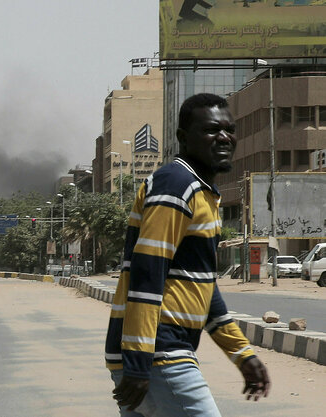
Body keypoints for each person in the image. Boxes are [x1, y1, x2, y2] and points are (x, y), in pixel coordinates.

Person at [106, 93, 270, 416]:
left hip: (154, 353)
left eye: (229, 129)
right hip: (159, 352)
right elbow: (147, 272)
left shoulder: (202, 194)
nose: (224, 137)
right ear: (183, 138)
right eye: (211, 130)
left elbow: (204, 288)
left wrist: (242, 354)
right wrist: (139, 362)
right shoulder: (176, 184)